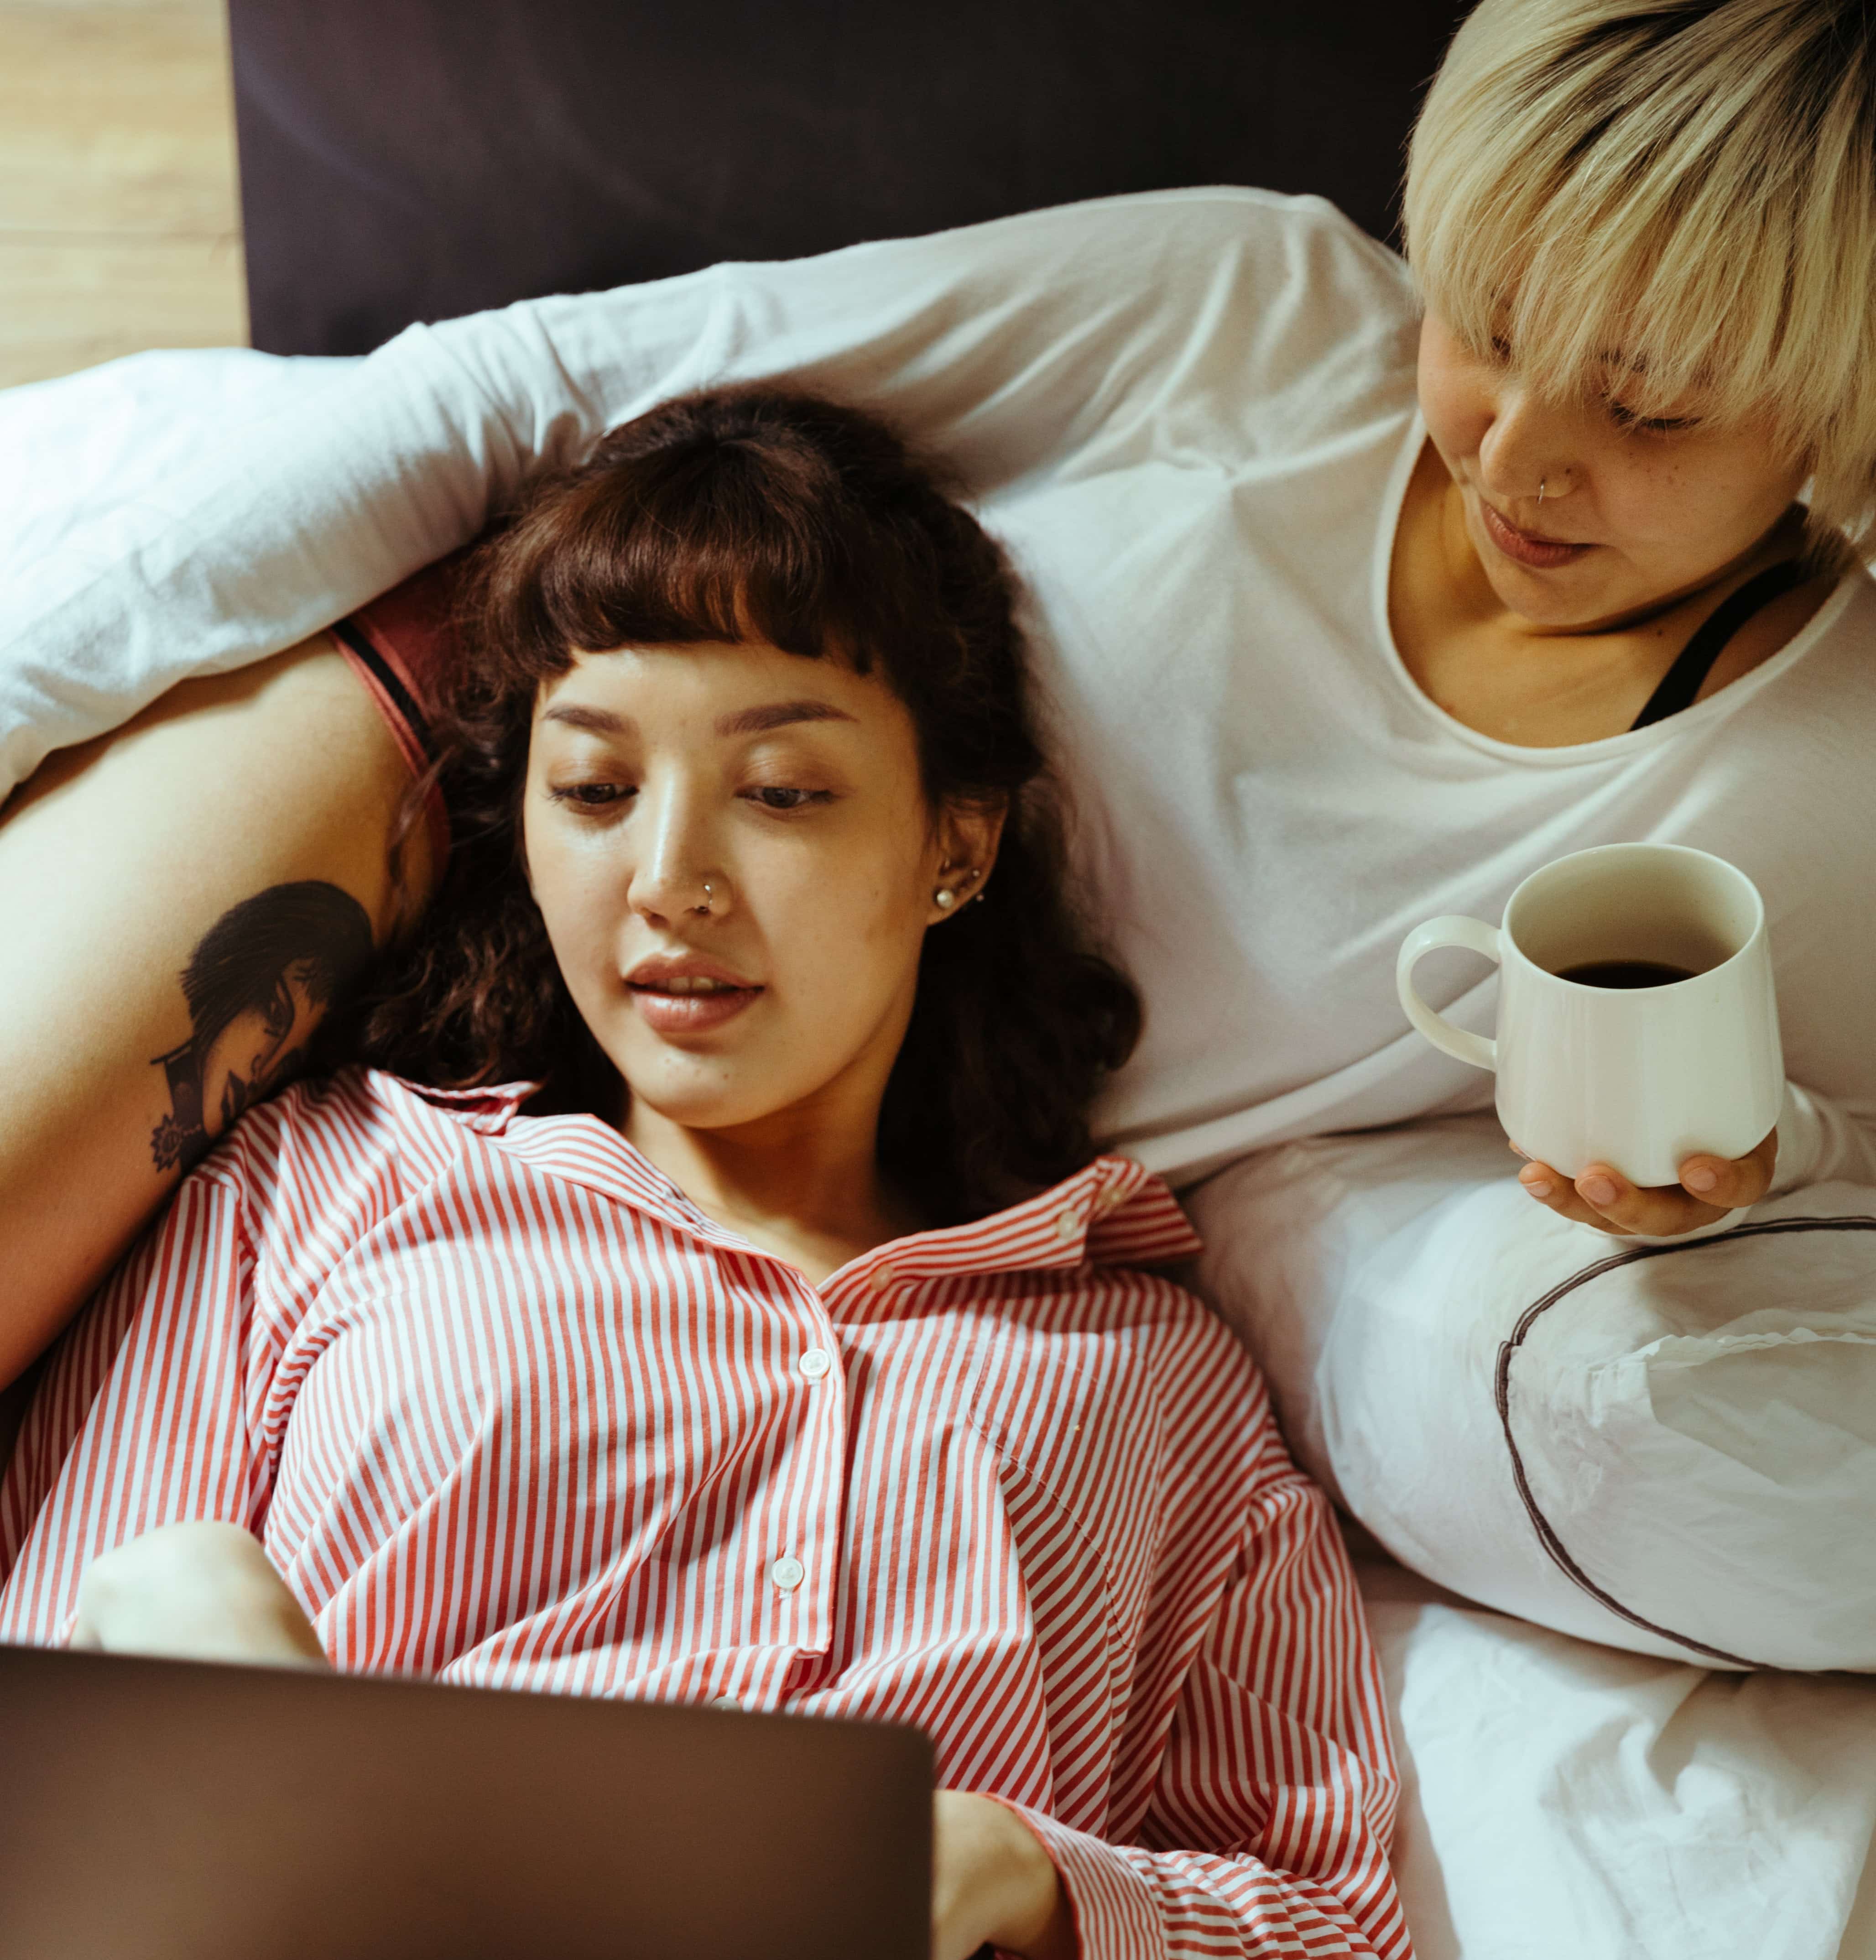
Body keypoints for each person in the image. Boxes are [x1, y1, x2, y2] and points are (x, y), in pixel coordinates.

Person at [0, 389, 1414, 1960]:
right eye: (590, 782)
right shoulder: (320, 1186)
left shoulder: (1147, 1367)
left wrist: (1031, 1887)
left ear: (956, 844)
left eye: (780, 786)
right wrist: (185, 1619)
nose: (671, 882)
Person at [4, 0, 1876, 1416]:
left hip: (787, 1188)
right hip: (446, 784)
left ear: (1832, 400)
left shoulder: (1815, 779)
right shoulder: (1255, 312)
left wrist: (1751, 1167)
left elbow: (1823, 1169)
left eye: (1645, 406)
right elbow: (536, 384)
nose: (1517, 456)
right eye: (1481, 323)